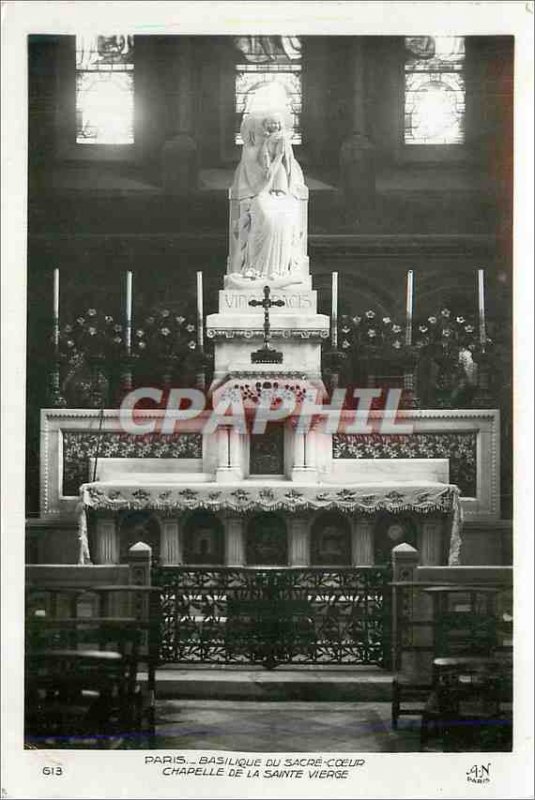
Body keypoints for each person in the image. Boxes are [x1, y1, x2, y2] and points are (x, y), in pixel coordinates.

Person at [229, 108, 308, 283]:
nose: (273, 125)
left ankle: (280, 271)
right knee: (264, 218)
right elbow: (248, 181)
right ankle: (255, 269)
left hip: (277, 182)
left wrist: (272, 168)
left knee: (283, 220)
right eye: (269, 123)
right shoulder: (252, 150)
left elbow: (281, 157)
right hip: (261, 194)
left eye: (276, 122)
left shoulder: (282, 140)